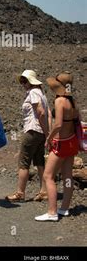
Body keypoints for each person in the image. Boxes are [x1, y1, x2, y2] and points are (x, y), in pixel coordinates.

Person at [35, 72, 79, 222]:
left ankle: (52, 212)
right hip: (72, 141)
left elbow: (58, 124)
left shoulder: (60, 101)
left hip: (61, 143)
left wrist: (49, 137)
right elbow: (77, 121)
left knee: (48, 176)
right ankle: (64, 208)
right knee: (68, 176)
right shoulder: (72, 101)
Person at [6, 70, 49, 203]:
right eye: (22, 81)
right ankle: (44, 191)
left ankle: (20, 193)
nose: (23, 84)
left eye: (25, 81)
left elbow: (41, 113)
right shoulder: (42, 93)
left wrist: (47, 132)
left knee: (24, 162)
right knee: (39, 161)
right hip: (40, 132)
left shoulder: (34, 93)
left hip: (32, 130)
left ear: (31, 81)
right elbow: (47, 114)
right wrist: (47, 133)